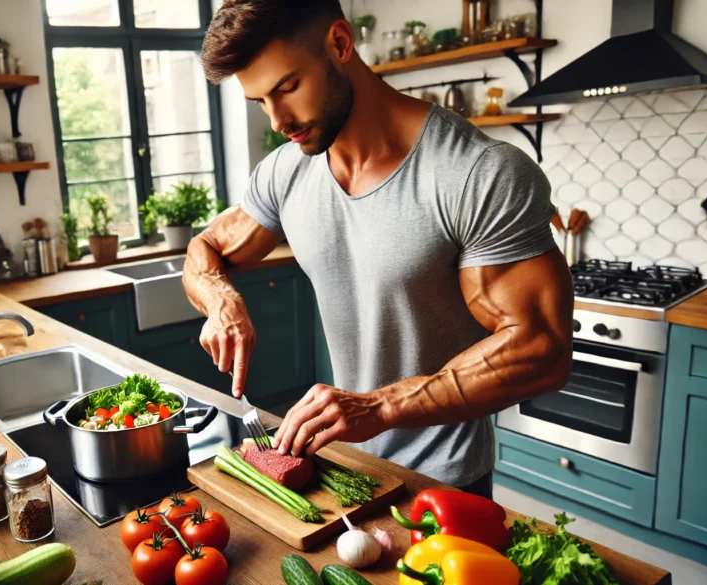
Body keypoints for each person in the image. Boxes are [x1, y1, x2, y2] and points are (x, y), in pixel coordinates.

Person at [182, 0, 574, 498]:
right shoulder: (286, 172)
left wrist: (380, 407)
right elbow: (206, 248)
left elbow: (542, 349)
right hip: (346, 470)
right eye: (260, 101)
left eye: (287, 87)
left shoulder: (477, 173)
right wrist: (221, 302)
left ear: (340, 44)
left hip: (444, 484)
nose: (278, 119)